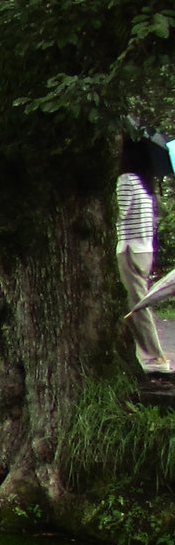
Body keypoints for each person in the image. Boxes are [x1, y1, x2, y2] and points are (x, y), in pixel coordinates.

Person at [116, 132, 167, 372]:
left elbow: (118, 214)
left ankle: (154, 357)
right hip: (144, 249)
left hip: (128, 250)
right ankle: (145, 353)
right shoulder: (146, 183)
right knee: (136, 301)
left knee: (137, 304)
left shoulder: (126, 180)